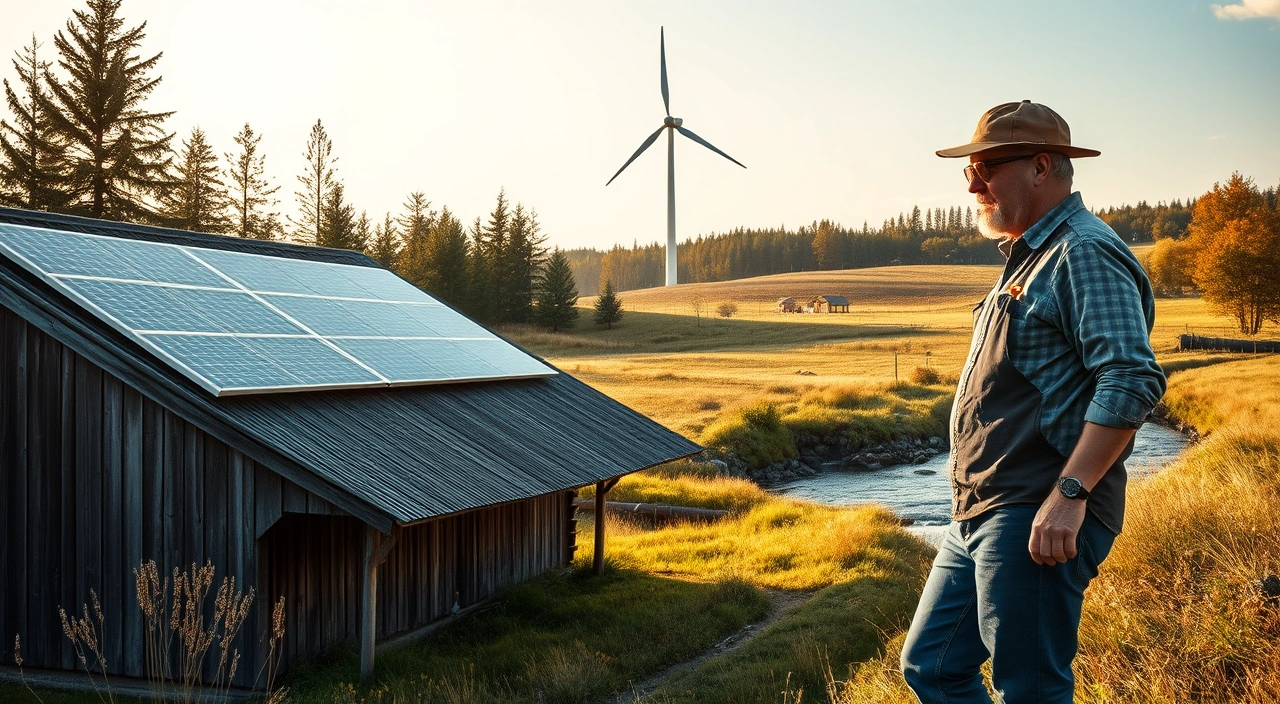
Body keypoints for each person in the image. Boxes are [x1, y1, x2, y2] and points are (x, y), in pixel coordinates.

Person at [899, 101, 1167, 703]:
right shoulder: (1031, 255)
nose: (972, 182)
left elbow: (1129, 377)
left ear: (1042, 166)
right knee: (932, 668)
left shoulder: (1082, 252)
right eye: (968, 168)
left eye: (987, 166)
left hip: (1037, 509)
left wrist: (1069, 496)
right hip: (983, 510)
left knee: (1030, 689)